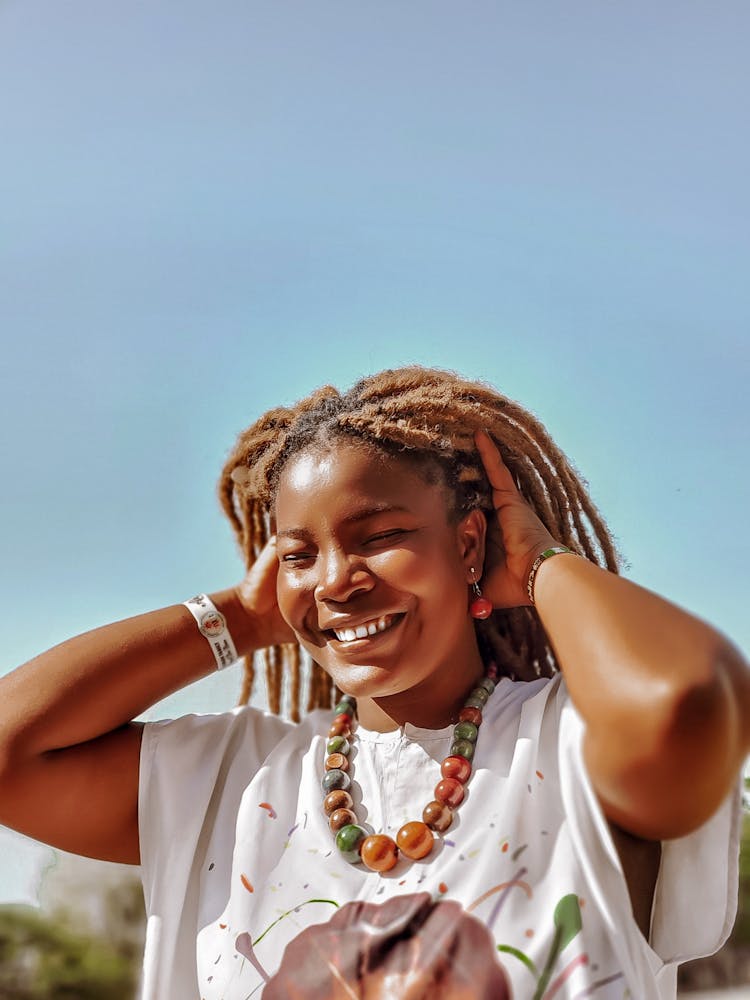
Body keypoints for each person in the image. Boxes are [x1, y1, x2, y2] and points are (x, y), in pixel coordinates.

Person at [0, 366, 746, 999]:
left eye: (382, 538)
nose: (336, 582)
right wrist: (244, 618)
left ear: (469, 543)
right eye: (299, 555)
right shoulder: (227, 781)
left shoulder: (571, 744)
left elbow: (684, 703)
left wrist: (543, 564)